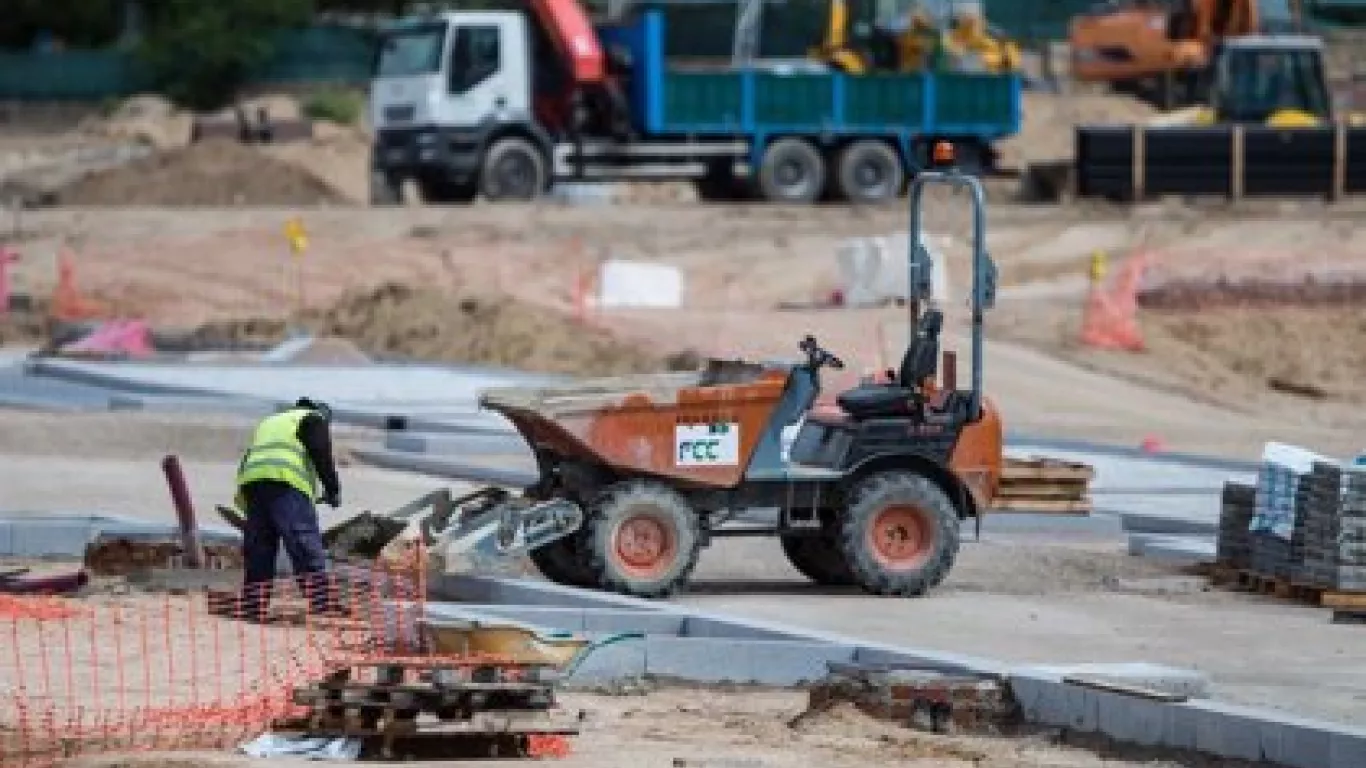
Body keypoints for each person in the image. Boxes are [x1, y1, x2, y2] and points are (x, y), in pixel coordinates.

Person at [235, 397, 341, 619]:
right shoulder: (312, 418)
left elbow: (249, 457)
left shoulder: (270, 422)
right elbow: (321, 452)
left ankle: (253, 606)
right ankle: (322, 603)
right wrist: (332, 489)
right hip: (286, 483)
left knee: (259, 548)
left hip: (253, 483)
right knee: (303, 541)